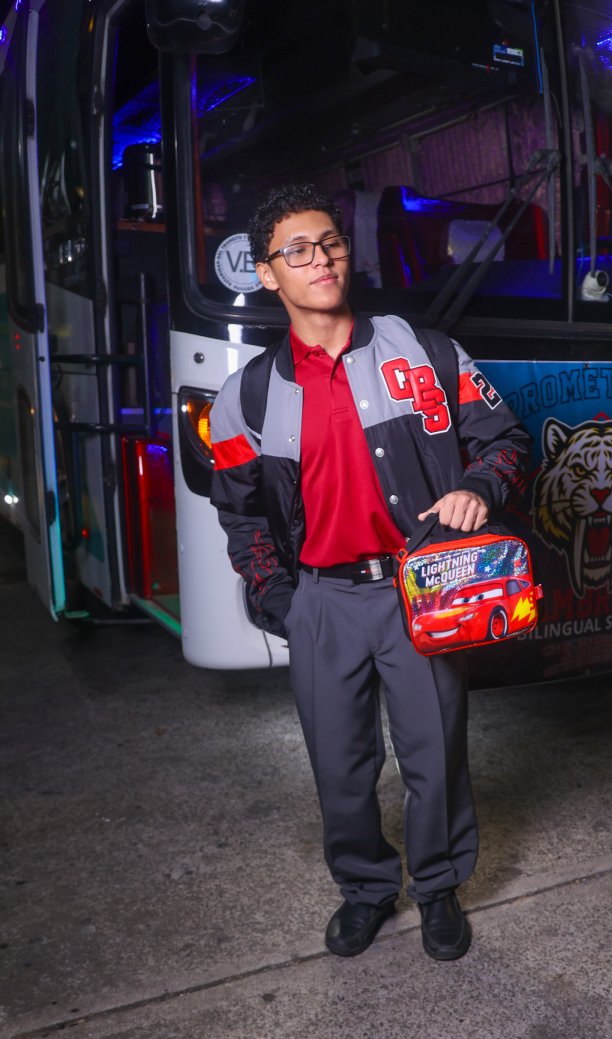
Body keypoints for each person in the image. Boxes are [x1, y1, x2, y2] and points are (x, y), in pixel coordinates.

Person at [209, 182, 531, 961]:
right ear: (266, 275)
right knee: (342, 766)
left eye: (331, 243)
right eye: (297, 251)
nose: (321, 259)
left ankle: (440, 888)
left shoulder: (423, 351)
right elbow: (241, 514)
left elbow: (507, 440)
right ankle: (365, 891)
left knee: (435, 753)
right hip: (322, 600)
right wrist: (284, 602)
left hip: (421, 592)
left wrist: (478, 488)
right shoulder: (245, 398)